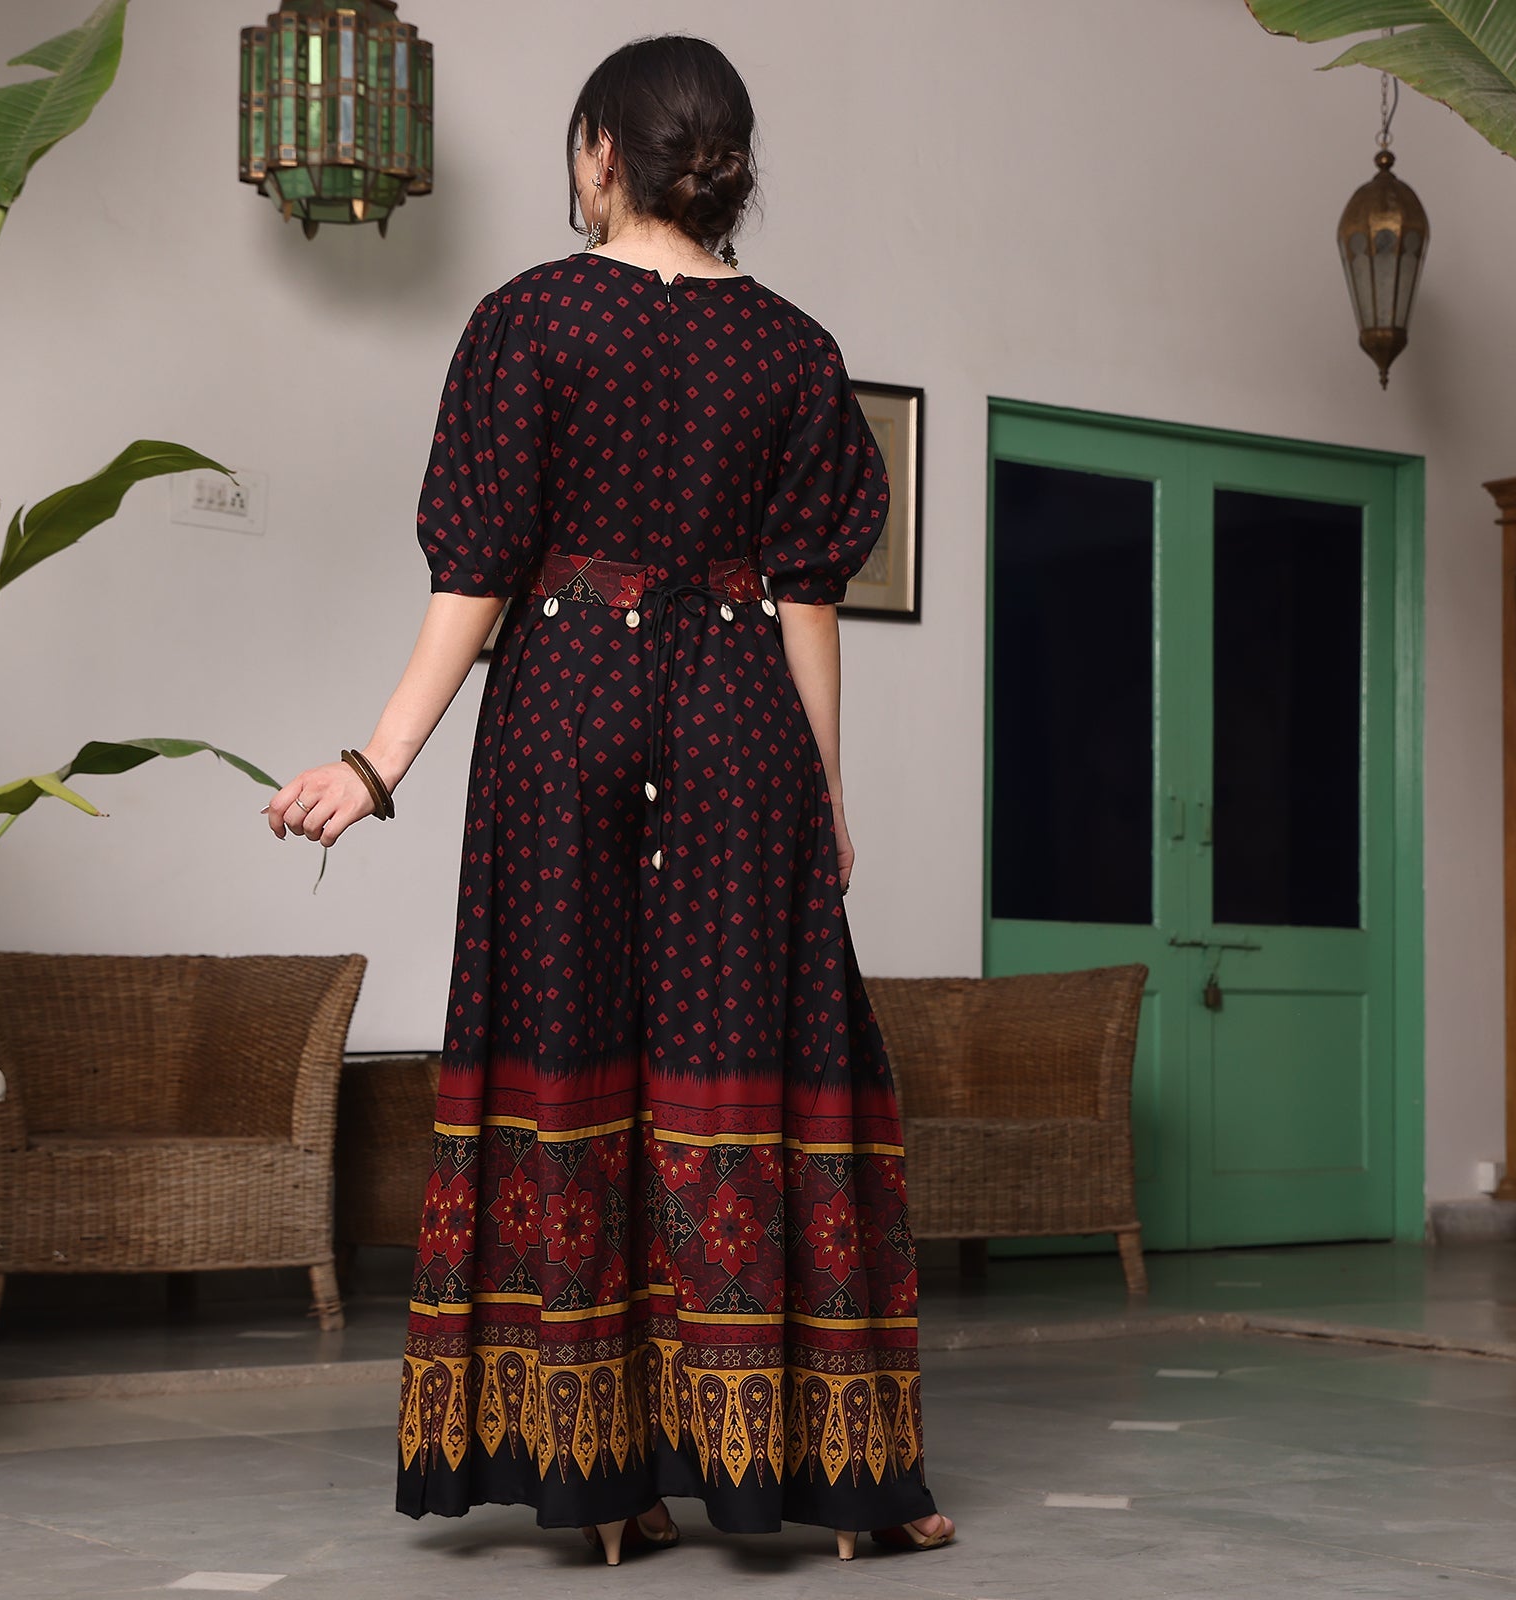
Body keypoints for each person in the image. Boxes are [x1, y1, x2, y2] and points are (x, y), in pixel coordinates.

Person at [265, 32, 956, 1566]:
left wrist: (377, 762)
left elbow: (479, 572)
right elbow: (806, 598)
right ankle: (816, 1472)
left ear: (600, 154)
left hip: (565, 712)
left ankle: (599, 1478)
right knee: (744, 1077)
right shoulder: (794, 349)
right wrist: (826, 793)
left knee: (568, 1069)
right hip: (738, 725)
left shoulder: (529, 318)